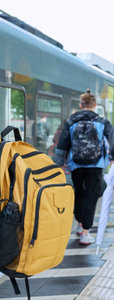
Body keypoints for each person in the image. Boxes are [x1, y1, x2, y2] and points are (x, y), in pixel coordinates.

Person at [54, 89, 112, 245]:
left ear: (80, 105)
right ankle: (85, 233)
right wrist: (112, 158)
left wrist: (58, 164)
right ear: (94, 106)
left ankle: (80, 224)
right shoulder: (102, 122)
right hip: (96, 165)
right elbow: (112, 140)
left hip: (76, 164)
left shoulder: (71, 122)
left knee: (79, 194)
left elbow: (62, 144)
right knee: (91, 197)